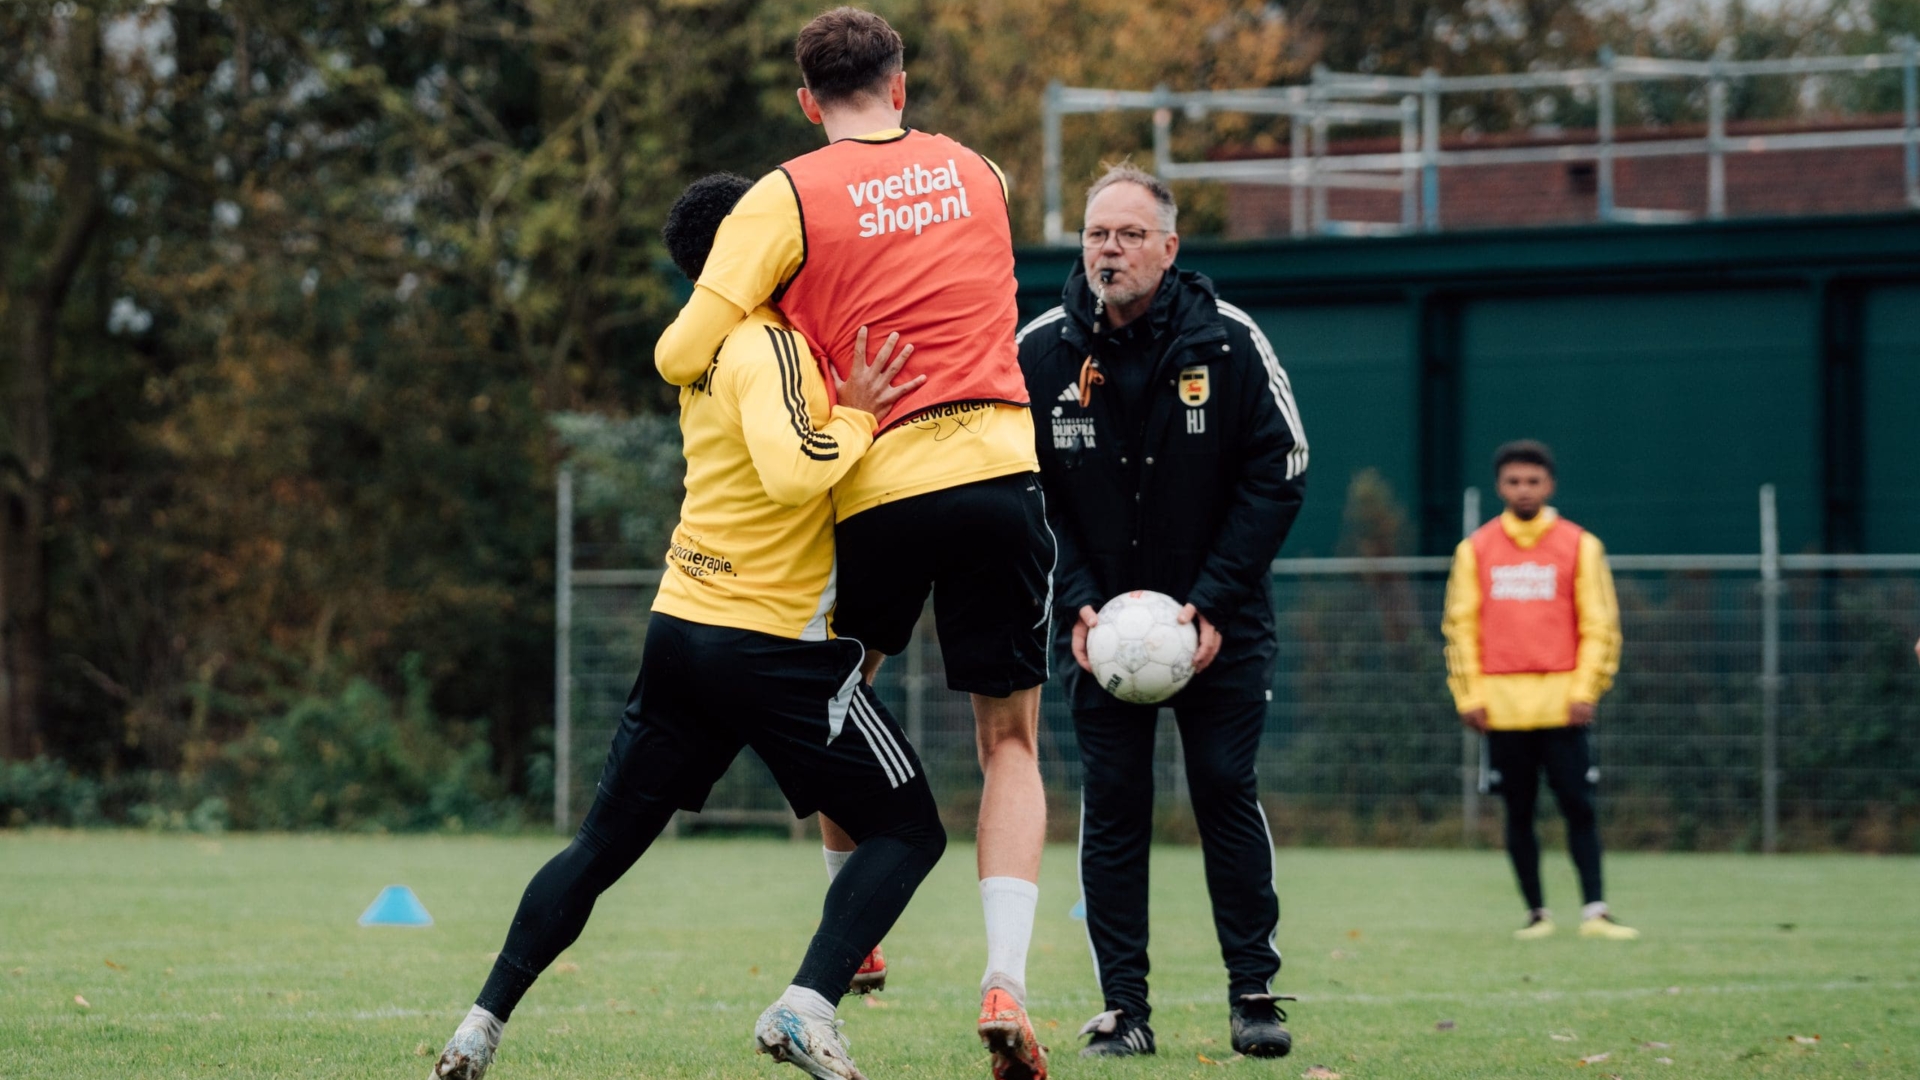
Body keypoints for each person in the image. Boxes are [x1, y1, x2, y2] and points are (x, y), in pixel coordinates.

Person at [431, 174, 944, 1080]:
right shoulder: (768, 346)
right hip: (772, 643)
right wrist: (862, 411)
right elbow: (796, 470)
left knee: (597, 848)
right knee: (910, 827)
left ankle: (480, 1023)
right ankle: (805, 1007)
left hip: (682, 628)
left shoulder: (704, 348)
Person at [653, 10, 1054, 1079]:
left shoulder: (787, 194)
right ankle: (1005, 978)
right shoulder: (982, 173)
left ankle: (856, 929)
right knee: (1009, 741)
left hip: (877, 484)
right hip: (1000, 467)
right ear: (903, 86)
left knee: (838, 697)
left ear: (804, 101)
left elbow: (685, 345)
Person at [1015, 163, 1309, 1060]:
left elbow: (1282, 469)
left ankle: (1254, 993)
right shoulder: (1040, 350)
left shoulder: (1228, 340)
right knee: (1113, 802)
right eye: (1098, 234)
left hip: (1218, 626)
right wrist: (1078, 601)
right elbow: (1023, 487)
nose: (1111, 249)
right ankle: (1124, 1010)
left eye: (1130, 234)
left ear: (1169, 249)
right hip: (1098, 631)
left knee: (1224, 789)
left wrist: (1213, 600)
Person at [1442, 439, 1635, 941]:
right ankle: (1536, 914)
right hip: (1502, 708)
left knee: (1579, 805)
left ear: (1549, 485)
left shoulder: (1579, 545)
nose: (1523, 490)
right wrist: (1470, 696)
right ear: (1499, 486)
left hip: (1563, 704)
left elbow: (1600, 624)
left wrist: (1587, 688)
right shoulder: (1476, 549)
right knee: (1518, 810)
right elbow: (1461, 627)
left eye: (1532, 481)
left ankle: (1595, 911)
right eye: (1513, 481)